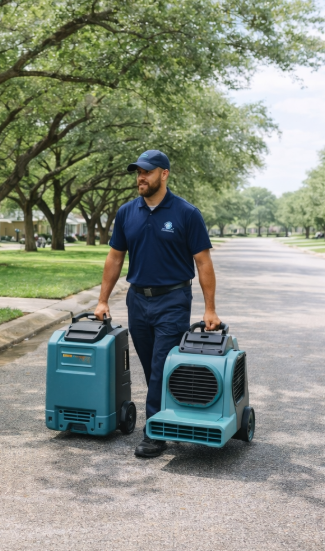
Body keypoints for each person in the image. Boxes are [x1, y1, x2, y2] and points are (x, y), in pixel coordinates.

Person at [94, 149, 221, 459]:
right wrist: (102, 300)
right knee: (151, 362)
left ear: (164, 174)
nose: (141, 176)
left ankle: (154, 430)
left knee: (160, 365)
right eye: (138, 171)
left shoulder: (186, 213)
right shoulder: (127, 212)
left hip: (173, 299)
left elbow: (203, 263)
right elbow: (115, 257)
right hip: (137, 299)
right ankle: (169, 415)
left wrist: (209, 308)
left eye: (148, 171)